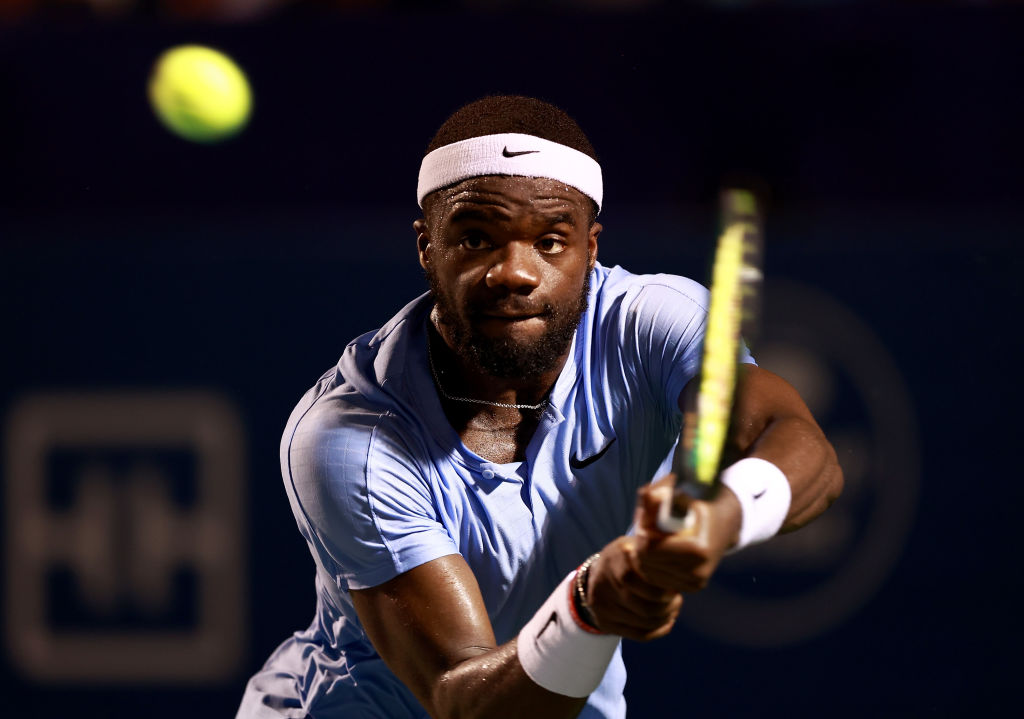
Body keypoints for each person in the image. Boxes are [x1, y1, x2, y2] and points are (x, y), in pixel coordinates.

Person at [236, 95, 843, 719]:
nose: (514, 272)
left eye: (551, 241)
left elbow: (800, 445)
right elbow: (465, 699)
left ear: (591, 247)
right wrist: (588, 606)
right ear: (427, 248)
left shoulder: (654, 323)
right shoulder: (349, 440)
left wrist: (720, 515)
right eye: (476, 238)